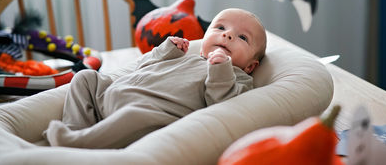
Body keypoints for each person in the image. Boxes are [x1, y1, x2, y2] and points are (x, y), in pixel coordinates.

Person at [43, 8, 267, 149]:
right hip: (111, 95)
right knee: (85, 78)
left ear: (251, 66)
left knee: (133, 116)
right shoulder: (186, 56)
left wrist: (221, 69)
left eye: (242, 37)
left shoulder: (238, 78)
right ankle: (74, 128)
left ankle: (78, 145)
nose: (227, 35)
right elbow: (143, 67)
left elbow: (221, 104)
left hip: (150, 116)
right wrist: (165, 51)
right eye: (220, 27)